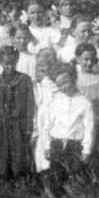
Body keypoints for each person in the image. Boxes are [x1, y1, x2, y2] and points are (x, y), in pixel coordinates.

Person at [43, 67, 94, 195]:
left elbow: (89, 129)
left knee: (76, 177)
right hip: (57, 144)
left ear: (74, 79)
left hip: (75, 145)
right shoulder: (55, 100)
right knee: (57, 177)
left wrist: (87, 150)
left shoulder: (84, 102)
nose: (63, 87)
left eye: (66, 82)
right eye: (59, 84)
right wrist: (46, 146)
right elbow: (47, 126)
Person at [0, 46, 35, 181]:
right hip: (2, 124)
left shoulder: (24, 79)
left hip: (19, 124)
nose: (9, 66)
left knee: (19, 155)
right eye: (6, 64)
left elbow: (30, 104)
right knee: (3, 154)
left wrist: (28, 125)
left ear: (17, 61)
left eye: (12, 63)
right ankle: (4, 184)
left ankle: (21, 182)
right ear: (0, 63)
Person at [74, 42, 99, 183]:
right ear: (78, 59)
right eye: (85, 59)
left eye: (92, 59)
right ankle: (83, 180)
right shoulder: (75, 78)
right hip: (80, 119)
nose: (89, 63)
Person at [32, 48, 59, 176]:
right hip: (39, 125)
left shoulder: (54, 85)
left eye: (45, 65)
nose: (42, 69)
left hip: (54, 123)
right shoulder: (33, 86)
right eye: (39, 66)